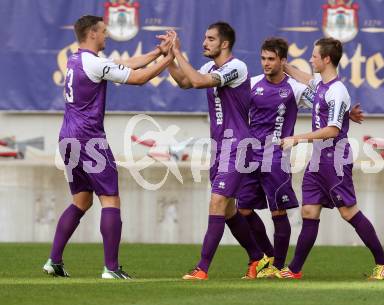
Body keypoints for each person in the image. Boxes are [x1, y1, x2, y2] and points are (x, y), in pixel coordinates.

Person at [43, 15, 174, 279]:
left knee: (81, 200)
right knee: (110, 199)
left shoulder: (76, 59)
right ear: (92, 33)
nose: (107, 35)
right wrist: (170, 59)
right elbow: (137, 78)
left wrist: (158, 52)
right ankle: (111, 268)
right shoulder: (94, 63)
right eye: (103, 31)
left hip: (67, 137)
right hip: (89, 138)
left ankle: (54, 261)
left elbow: (124, 65)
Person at [238, 37, 364, 278]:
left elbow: (325, 104)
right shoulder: (252, 84)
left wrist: (346, 114)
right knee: (242, 209)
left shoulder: (295, 89)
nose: (265, 63)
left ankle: (278, 266)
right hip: (251, 155)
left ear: (282, 61)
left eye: (271, 59)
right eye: (263, 58)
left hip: (277, 157)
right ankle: (267, 257)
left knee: (279, 213)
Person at [160, 22, 269, 280]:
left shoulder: (236, 67)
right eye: (205, 38)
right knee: (229, 210)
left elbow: (197, 82)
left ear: (224, 44)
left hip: (239, 146)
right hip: (220, 146)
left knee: (217, 203)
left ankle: (202, 268)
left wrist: (177, 52)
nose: (204, 43)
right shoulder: (211, 66)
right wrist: (168, 58)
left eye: (210, 39)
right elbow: (185, 81)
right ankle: (258, 258)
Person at [279, 37, 384, 280]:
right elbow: (307, 80)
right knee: (309, 211)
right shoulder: (322, 85)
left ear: (326, 59)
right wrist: (284, 65)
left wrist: (297, 138)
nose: (311, 59)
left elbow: (332, 130)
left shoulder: (337, 90)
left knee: (348, 211)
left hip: (335, 160)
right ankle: (294, 270)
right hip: (318, 159)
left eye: (314, 55)